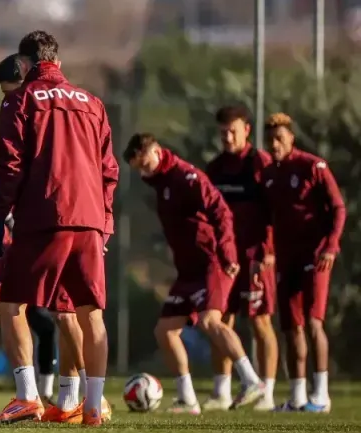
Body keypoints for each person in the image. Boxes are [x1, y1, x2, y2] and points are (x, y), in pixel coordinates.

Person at [0, 32, 118, 427]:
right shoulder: (92, 102)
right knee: (86, 313)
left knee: (11, 306)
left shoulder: (20, 100)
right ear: (57, 62)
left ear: (25, 65)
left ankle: (27, 397)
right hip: (90, 221)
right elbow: (108, 170)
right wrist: (105, 223)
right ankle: (90, 407)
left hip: (46, 216)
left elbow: (11, 166)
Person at [123, 134, 267, 413]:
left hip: (211, 263)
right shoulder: (161, 182)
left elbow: (221, 212)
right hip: (188, 271)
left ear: (157, 151)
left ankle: (252, 381)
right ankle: (188, 399)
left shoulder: (186, 177)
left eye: (145, 164)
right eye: (138, 168)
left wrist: (227, 253)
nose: (143, 172)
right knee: (165, 331)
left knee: (209, 321)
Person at [263, 113, 345, 412]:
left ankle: (321, 396)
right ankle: (297, 398)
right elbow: (267, 219)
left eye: (279, 138)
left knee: (313, 322)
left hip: (315, 256)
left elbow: (338, 208)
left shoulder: (313, 166)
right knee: (290, 328)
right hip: (287, 259)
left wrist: (330, 246)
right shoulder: (269, 175)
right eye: (270, 140)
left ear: (291, 138)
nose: (274, 145)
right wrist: (266, 252)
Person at [205, 105, 278, 411]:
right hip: (225, 258)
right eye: (223, 132)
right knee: (221, 321)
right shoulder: (215, 168)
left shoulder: (260, 164)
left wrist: (268, 250)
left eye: (233, 131)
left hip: (255, 256)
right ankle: (221, 391)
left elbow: (275, 209)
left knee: (260, 322)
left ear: (247, 130)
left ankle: (267, 392)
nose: (228, 137)